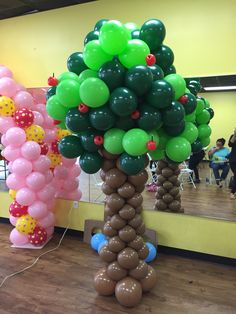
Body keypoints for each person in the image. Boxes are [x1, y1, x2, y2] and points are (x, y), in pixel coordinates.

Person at [228, 129, 236, 199]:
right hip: (233, 159)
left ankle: (232, 192)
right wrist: (234, 135)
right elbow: (230, 144)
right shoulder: (233, 136)